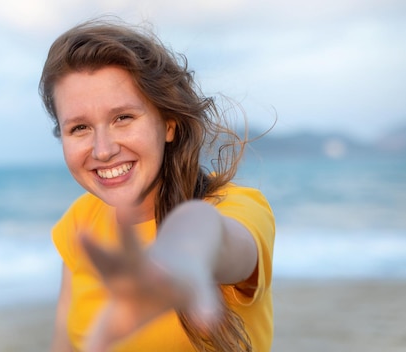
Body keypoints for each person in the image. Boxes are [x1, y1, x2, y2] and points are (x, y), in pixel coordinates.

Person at [39, 18, 275, 352]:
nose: (103, 149)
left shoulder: (239, 207)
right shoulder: (80, 221)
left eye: (123, 118)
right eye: (79, 128)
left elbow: (216, 236)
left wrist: (183, 254)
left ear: (168, 123)